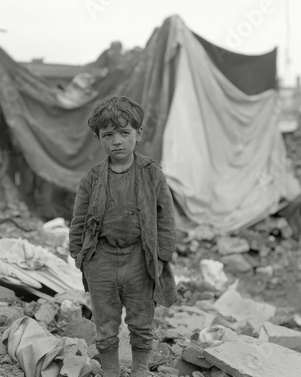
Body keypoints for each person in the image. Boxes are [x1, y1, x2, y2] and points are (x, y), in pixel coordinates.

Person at [69, 96, 177, 377]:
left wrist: (162, 255)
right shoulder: (91, 178)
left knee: (142, 322)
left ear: (138, 134)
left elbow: (165, 215)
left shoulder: (152, 173)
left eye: (124, 133)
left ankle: (140, 370)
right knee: (105, 324)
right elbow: (79, 219)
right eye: (108, 135)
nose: (116, 141)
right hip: (101, 257)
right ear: (98, 138)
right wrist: (80, 256)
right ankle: (111, 372)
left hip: (140, 257)